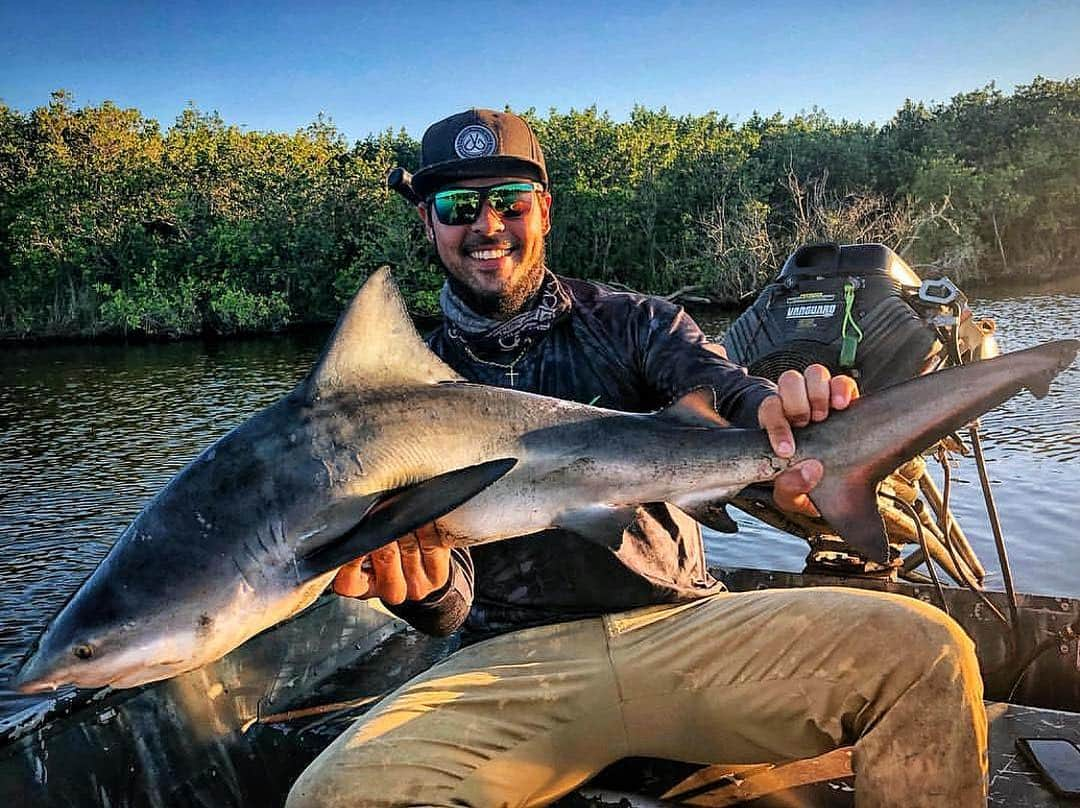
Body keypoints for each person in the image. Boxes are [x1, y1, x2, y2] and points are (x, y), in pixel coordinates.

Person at [286, 110, 987, 808]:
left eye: (510, 200)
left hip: (681, 629)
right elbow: (451, 602)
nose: (487, 224)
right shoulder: (400, 398)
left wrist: (787, 424)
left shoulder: (636, 324)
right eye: (458, 205)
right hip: (509, 667)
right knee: (332, 798)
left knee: (926, 654)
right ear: (429, 224)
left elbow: (733, 392)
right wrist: (426, 591)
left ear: (545, 211)